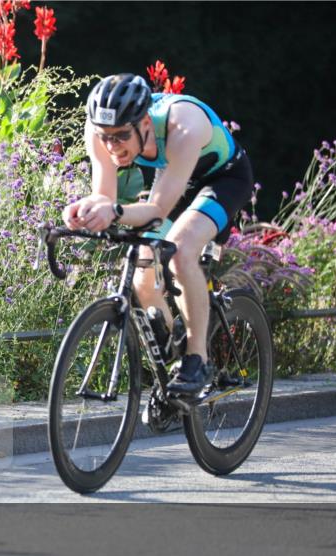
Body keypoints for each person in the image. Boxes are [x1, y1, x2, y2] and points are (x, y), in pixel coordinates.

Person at [62, 73, 253, 395]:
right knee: (142, 276)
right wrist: (85, 209)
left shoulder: (184, 125)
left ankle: (197, 359)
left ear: (146, 122)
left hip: (222, 180)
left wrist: (117, 212)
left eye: (121, 136)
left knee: (180, 252)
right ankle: (172, 353)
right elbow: (104, 195)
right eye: (104, 136)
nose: (112, 146)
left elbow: (156, 211)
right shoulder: (100, 128)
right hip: (176, 181)